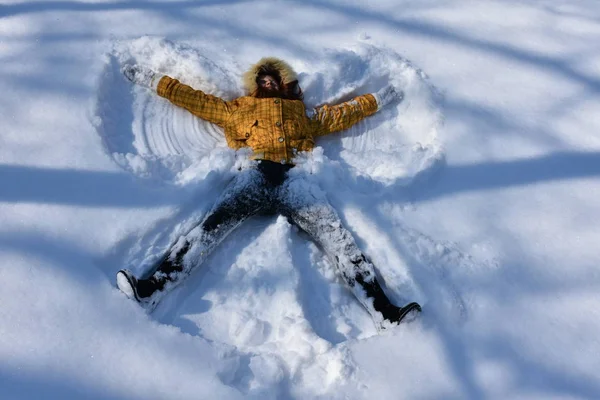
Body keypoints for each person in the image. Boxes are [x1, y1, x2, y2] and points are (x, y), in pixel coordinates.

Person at [117, 57, 421, 328]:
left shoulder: (302, 115)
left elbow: (344, 113)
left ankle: (384, 312)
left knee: (339, 241)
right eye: (261, 77)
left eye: (274, 76)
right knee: (207, 230)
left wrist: (380, 98)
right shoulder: (238, 109)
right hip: (255, 175)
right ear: (254, 86)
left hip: (295, 179)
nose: (267, 79)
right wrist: (151, 78)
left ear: (285, 84)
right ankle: (151, 289)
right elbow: (192, 99)